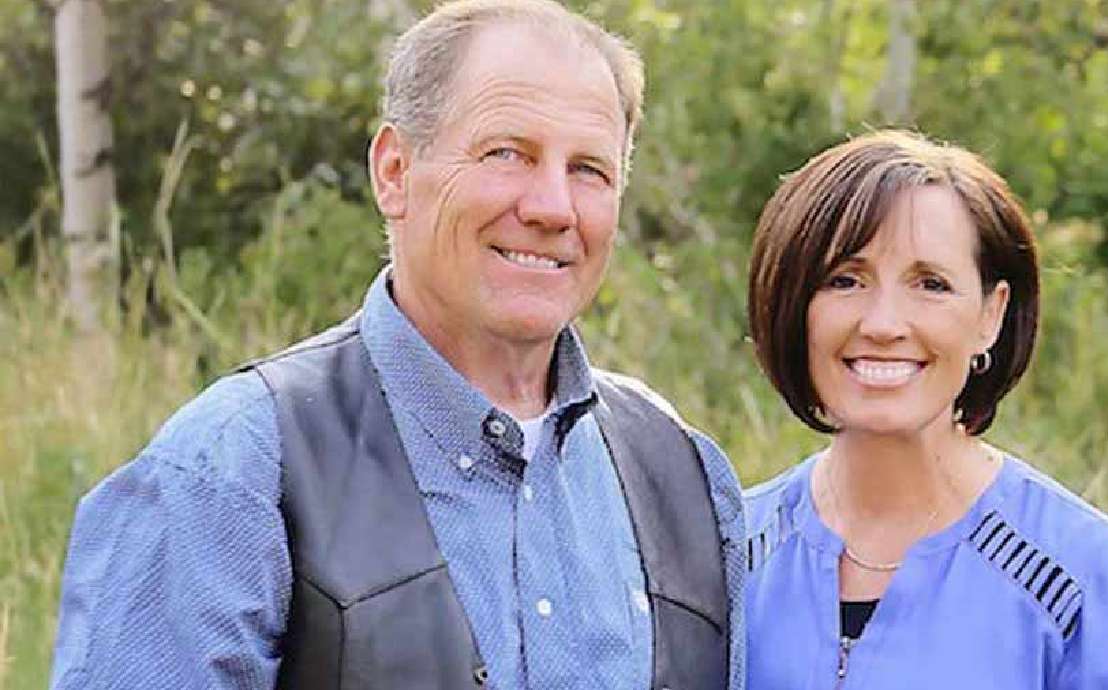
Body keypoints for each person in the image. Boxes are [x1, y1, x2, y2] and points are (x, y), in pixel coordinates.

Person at [50, 1, 744, 687]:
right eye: (508, 153)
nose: (552, 208)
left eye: (589, 170)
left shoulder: (685, 475)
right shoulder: (228, 472)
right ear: (393, 172)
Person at [742, 131, 1108, 689]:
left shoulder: (1080, 575)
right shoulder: (726, 556)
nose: (882, 323)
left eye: (931, 284)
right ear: (793, 304)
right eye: (844, 280)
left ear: (991, 316)